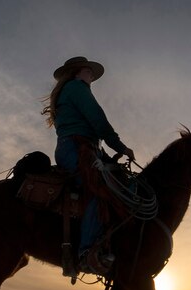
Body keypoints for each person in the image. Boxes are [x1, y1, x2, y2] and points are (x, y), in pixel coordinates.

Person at [42, 56, 135, 274]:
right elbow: (97, 119)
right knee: (98, 190)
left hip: (86, 148)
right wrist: (119, 146)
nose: (91, 74)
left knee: (122, 185)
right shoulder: (77, 87)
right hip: (76, 148)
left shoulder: (72, 89)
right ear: (76, 72)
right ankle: (86, 253)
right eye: (88, 70)